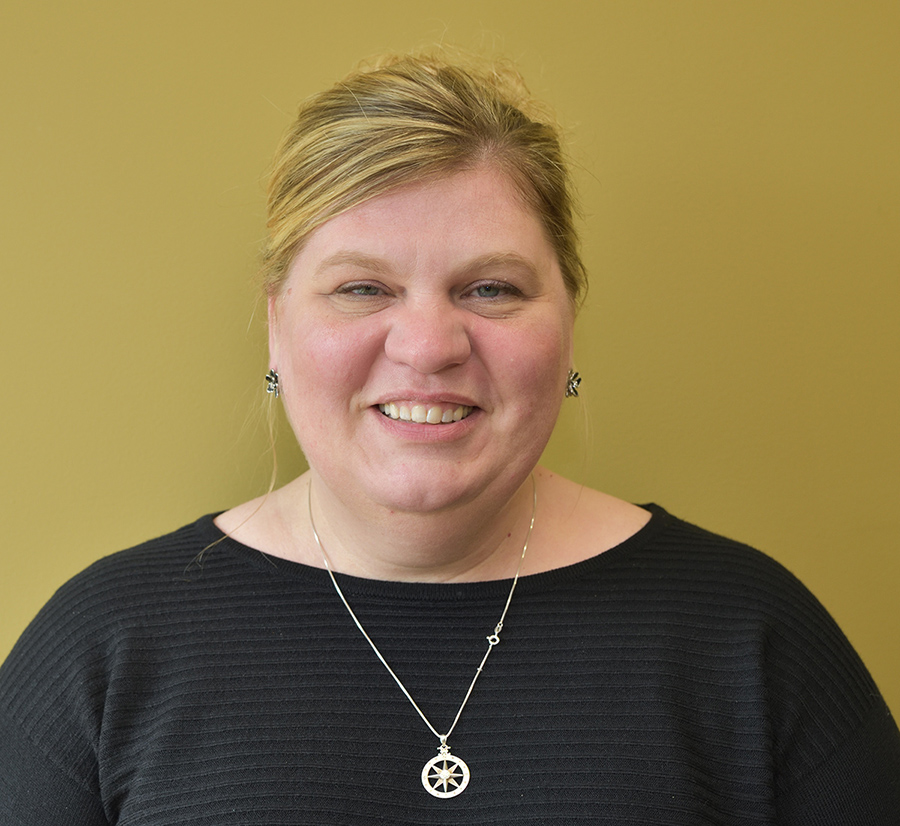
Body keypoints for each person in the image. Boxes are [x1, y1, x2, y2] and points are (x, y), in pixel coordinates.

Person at [1, 51, 898, 825]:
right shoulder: (101, 648)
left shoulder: (752, 637)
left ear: (569, 323)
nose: (429, 345)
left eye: (492, 289)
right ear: (276, 326)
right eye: (362, 288)